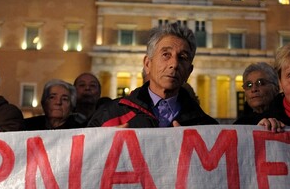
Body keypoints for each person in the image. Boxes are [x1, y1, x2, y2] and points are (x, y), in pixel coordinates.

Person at [88, 22, 217, 127]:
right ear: (148, 64)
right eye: (166, 54)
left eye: (182, 57)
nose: (174, 64)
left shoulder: (207, 127)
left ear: (189, 72)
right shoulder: (108, 116)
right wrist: (107, 142)